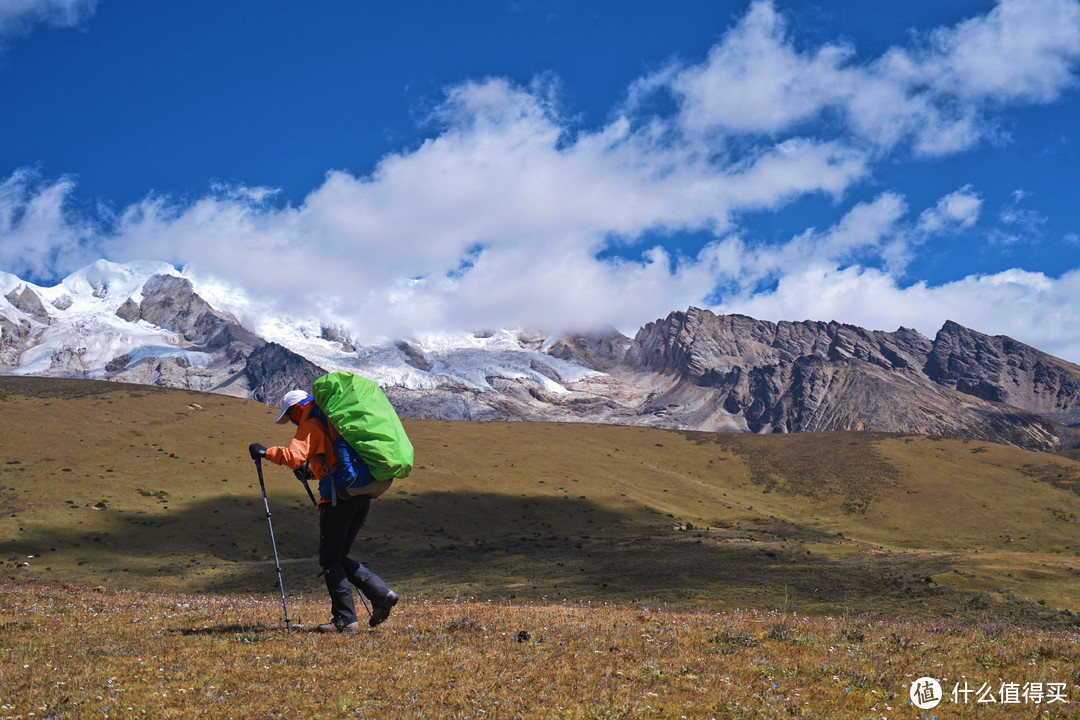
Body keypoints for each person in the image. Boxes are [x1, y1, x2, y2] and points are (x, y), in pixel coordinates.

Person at [249, 389, 399, 633]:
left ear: (296, 408)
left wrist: (265, 452)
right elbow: (335, 461)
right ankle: (381, 594)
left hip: (337, 499)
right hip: (360, 493)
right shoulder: (335, 422)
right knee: (337, 556)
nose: (293, 422)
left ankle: (346, 618)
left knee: (330, 559)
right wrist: (312, 473)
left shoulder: (311, 424)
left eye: (291, 416)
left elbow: (294, 457)